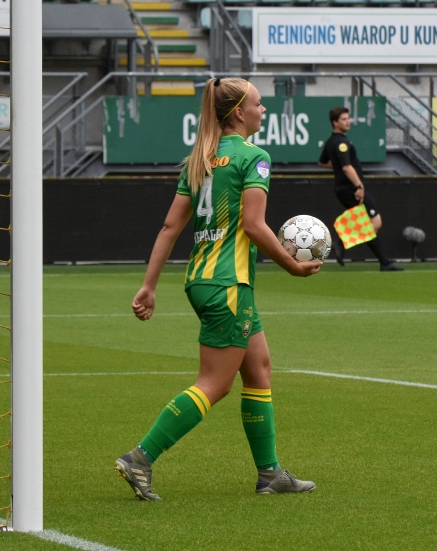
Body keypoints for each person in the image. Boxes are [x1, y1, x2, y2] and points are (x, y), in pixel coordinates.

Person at [114, 77, 319, 500]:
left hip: (204, 279)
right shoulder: (255, 157)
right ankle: (141, 457)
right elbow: (254, 226)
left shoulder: (201, 160)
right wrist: (293, 267)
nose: (264, 111)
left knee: (259, 368)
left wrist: (149, 285)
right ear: (240, 112)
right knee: (215, 383)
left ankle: (270, 473)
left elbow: (171, 227)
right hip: (229, 284)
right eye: (259, 105)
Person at [319, 107, 403, 271]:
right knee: (375, 222)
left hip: (343, 188)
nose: (348, 121)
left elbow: (322, 162)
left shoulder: (331, 141)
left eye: (348, 118)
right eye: (343, 119)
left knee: (367, 223)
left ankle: (382, 261)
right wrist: (359, 185)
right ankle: (343, 244)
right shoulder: (341, 143)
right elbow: (346, 168)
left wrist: (338, 167)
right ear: (335, 123)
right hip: (351, 188)